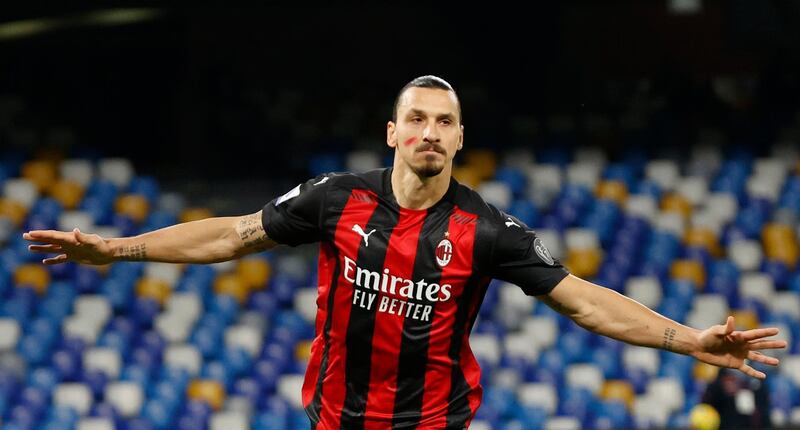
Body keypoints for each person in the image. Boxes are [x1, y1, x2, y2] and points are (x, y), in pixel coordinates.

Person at [23, 75, 787, 429]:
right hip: (335, 418)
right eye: (415, 118)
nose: (428, 131)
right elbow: (232, 233)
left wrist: (692, 340)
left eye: (443, 121)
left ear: (459, 138)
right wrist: (116, 250)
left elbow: (584, 301)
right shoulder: (334, 199)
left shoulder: (489, 231)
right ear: (393, 132)